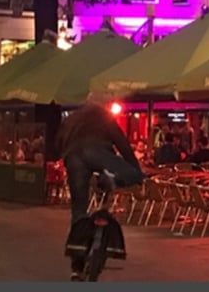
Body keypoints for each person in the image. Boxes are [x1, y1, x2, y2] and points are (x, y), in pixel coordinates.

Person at [58, 97, 144, 281]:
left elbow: (58, 142)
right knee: (134, 175)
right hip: (97, 153)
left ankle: (76, 267)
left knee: (78, 210)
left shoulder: (73, 118)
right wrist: (135, 170)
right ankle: (110, 179)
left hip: (73, 157)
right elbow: (122, 144)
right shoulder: (104, 117)